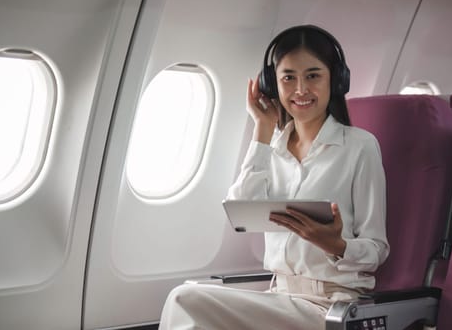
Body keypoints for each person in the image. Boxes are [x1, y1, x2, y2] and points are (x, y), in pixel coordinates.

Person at [158, 24, 389, 330]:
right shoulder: (273, 149)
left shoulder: (360, 147)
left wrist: (337, 245)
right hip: (279, 297)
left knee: (184, 299)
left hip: (332, 306)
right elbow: (240, 210)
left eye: (313, 75)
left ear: (335, 79)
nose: (301, 90)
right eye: (288, 78)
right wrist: (262, 131)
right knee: (190, 298)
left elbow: (377, 248)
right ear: (273, 83)